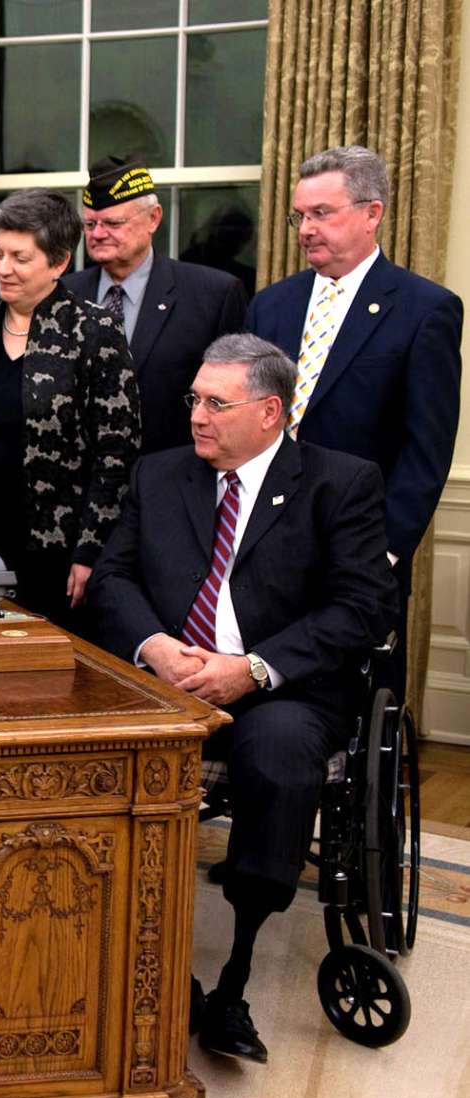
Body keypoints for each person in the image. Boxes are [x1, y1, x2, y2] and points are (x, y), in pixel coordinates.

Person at [89, 333, 397, 1062]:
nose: (196, 415)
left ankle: (237, 970)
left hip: (280, 693)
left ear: (269, 412)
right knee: (82, 745)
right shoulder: (159, 476)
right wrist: (155, 647)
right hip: (163, 683)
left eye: (214, 403)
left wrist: (252, 668)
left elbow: (362, 606)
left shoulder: (339, 482)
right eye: (193, 398)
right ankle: (111, 940)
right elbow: (111, 580)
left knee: (280, 752)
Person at [245, 145, 463, 690]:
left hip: (359, 548)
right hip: (262, 542)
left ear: (372, 213)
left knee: (350, 700)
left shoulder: (424, 309)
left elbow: (427, 447)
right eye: (300, 215)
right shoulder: (270, 306)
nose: (306, 229)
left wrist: (384, 550)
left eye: (323, 213)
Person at [0, 188, 140, 625]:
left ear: (58, 263)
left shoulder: (95, 331)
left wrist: (91, 550)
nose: (2, 268)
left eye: (20, 258)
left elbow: (116, 454)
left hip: (54, 554)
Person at [63, 156, 247, 454]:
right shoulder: (64, 295)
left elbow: (232, 400)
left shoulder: (212, 295)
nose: (97, 234)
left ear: (153, 218)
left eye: (113, 223)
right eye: (90, 224)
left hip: (172, 480)